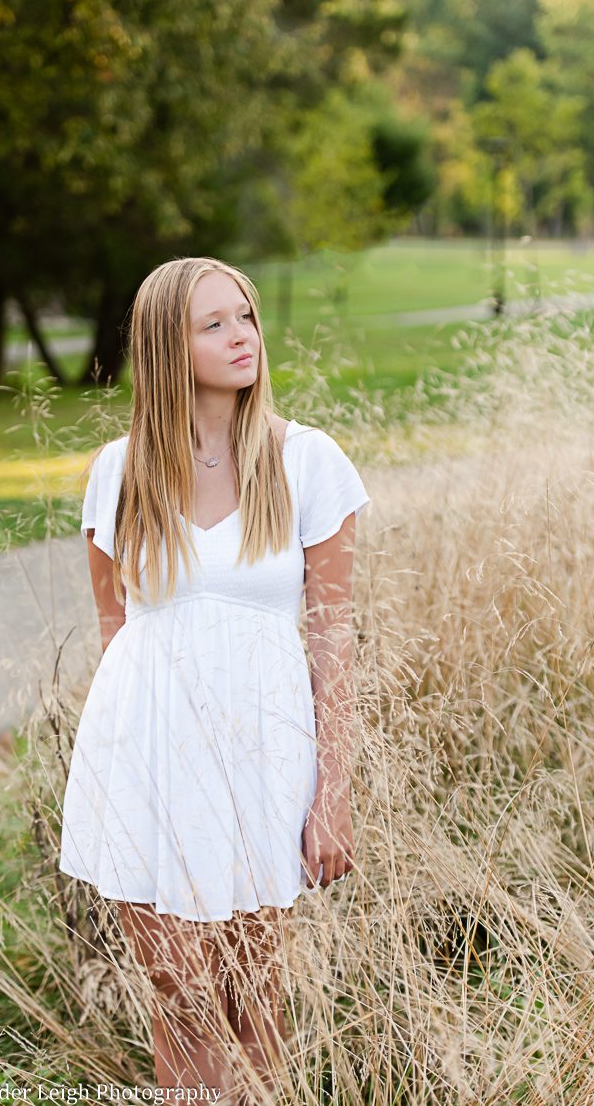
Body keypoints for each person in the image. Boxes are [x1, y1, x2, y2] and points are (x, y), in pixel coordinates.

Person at [58, 256, 371, 1102]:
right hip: (148, 754)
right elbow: (115, 627)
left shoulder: (306, 461)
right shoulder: (118, 473)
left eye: (247, 317)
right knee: (178, 988)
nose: (243, 338)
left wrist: (331, 794)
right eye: (215, 324)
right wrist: (130, 759)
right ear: (168, 344)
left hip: (264, 760)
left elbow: (333, 641)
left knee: (253, 992)